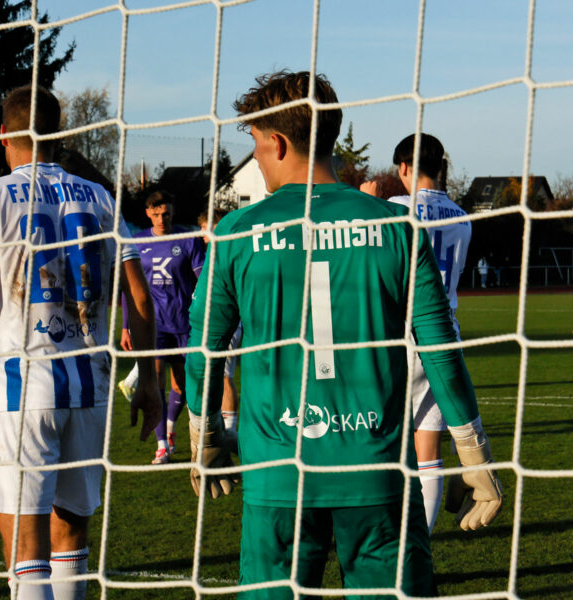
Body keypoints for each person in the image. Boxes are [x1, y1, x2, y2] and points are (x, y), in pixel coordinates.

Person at [185, 70, 502, 599]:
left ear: (279, 143)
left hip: (279, 477)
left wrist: (205, 437)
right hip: (376, 474)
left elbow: (205, 350)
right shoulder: (398, 228)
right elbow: (441, 350)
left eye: (258, 146)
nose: (258, 160)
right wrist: (474, 455)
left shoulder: (237, 232)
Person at [0, 84, 160, 600]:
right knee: (72, 537)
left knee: (26, 547)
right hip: (90, 389)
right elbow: (140, 298)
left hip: (23, 389)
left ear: (3, 135)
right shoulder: (100, 197)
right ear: (59, 137)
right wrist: (147, 378)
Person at [363, 133, 471, 533]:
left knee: (376, 441)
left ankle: (378, 536)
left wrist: (365, 199)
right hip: (443, 336)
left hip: (394, 334)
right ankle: (419, 548)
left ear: (405, 168)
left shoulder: (390, 209)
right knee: (429, 452)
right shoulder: (463, 218)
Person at [117, 191, 205, 464]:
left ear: (172, 212)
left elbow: (202, 280)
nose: (161, 219)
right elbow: (129, 288)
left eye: (165, 213)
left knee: (184, 383)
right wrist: (125, 327)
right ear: (147, 214)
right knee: (154, 380)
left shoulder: (187, 239)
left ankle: (171, 429)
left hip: (183, 322)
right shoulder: (136, 242)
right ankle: (162, 446)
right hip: (153, 326)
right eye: (156, 214)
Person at [197, 208, 241, 448]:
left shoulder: (226, 248)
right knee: (215, 374)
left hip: (230, 319)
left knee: (224, 375)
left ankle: (230, 429)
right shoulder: (214, 250)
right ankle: (224, 425)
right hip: (218, 319)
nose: (203, 233)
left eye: (206, 228)